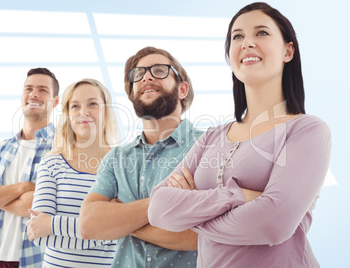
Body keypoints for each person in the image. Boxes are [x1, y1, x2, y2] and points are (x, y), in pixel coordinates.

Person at [148, 2, 332, 268]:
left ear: (288, 51)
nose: (247, 43)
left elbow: (272, 224)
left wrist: (190, 213)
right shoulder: (211, 137)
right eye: (237, 36)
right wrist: (240, 196)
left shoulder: (308, 131)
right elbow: (158, 208)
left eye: (262, 33)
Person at [79, 46, 203, 267]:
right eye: (139, 74)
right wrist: (170, 202)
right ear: (132, 94)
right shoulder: (116, 158)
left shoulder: (209, 147)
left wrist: (119, 217)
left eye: (159, 70)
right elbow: (88, 224)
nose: (146, 76)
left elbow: (199, 236)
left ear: (182, 89)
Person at [0, 68, 60, 268]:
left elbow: (37, 205)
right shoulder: (1, 149)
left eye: (43, 90)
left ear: (56, 101)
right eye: (29, 89)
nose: (34, 94)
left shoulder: (62, 147)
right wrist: (23, 188)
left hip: (35, 260)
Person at [26, 78, 120, 267]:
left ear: (106, 111)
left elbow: (126, 231)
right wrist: (104, 230)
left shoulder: (124, 165)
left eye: (92, 104)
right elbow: (38, 235)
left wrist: (53, 224)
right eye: (75, 106)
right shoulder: (51, 164)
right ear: (68, 114)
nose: (83, 112)